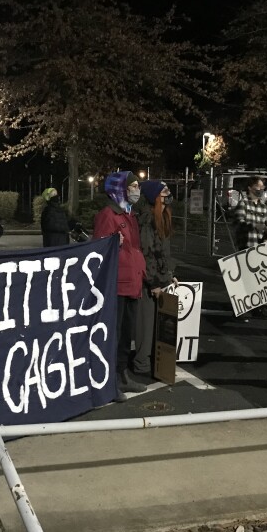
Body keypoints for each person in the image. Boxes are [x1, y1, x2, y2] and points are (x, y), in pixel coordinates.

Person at [93, 171, 147, 401]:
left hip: (132, 282)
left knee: (126, 335)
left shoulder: (130, 214)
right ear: (119, 188)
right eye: (132, 186)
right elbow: (99, 249)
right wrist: (112, 243)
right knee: (114, 336)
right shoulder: (109, 214)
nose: (137, 190)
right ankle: (110, 382)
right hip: (117, 284)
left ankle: (122, 375)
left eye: (137, 185)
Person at [133, 180, 178, 378]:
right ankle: (142, 364)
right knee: (146, 324)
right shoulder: (148, 220)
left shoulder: (160, 217)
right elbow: (149, 253)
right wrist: (155, 283)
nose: (168, 194)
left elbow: (163, 253)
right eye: (164, 191)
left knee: (155, 325)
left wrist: (169, 274)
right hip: (149, 282)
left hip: (158, 279)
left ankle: (150, 362)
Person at [233, 176, 267, 319]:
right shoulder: (243, 204)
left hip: (260, 247)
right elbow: (239, 222)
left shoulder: (264, 207)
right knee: (246, 279)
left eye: (263, 187)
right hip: (246, 245)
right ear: (250, 188)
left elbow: (266, 226)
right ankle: (243, 308)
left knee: (259, 279)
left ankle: (258, 308)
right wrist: (253, 226)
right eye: (258, 187)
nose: (261, 190)